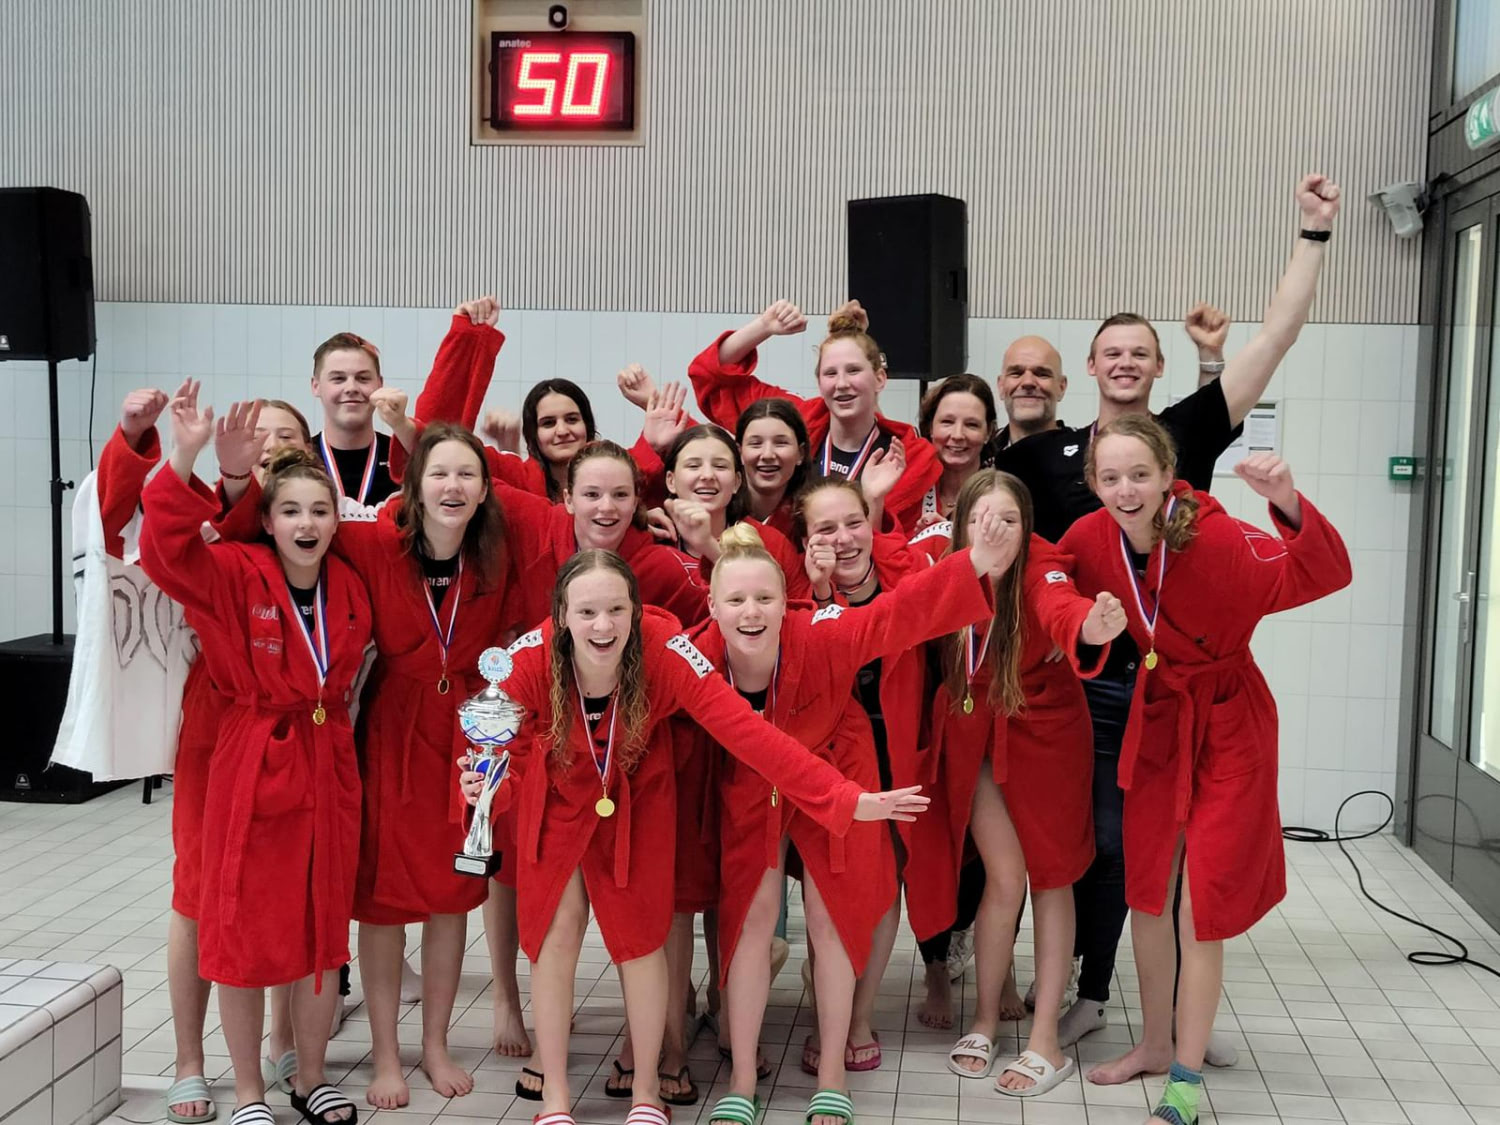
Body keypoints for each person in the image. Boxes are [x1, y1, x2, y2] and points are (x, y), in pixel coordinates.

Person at [995, 173, 1342, 1056]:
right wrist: (1071, 614)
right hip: (1083, 686)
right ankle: (1118, 1006)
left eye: (1138, 351)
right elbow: (1019, 554)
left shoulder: (1186, 434)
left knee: (1161, 865)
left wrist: (1311, 236)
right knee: (1102, 851)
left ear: (1156, 369)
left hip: (1170, 692)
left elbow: (1278, 337)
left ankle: (1144, 1015)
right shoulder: (1043, 453)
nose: (1123, 361)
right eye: (1109, 349)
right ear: (1092, 364)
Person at [458, 550, 931, 1125]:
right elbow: (493, 759)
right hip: (557, 793)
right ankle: (555, 1099)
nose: (602, 625)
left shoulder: (666, 651)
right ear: (560, 616)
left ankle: (647, 1093)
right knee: (554, 935)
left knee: (643, 938)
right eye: (586, 613)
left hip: (637, 789)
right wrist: (482, 791)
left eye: (615, 609)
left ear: (636, 611)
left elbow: (753, 736)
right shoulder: (526, 663)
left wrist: (844, 798)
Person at [218, 414, 517, 1108]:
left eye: (466, 474)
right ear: (412, 486)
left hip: (468, 740)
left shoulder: (497, 554)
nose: (452, 485)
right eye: (438, 472)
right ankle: (385, 1053)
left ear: (482, 491)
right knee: (382, 905)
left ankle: (435, 1042)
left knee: (453, 896)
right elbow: (269, 534)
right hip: (388, 734)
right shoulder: (372, 541)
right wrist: (236, 481)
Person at [1060, 416, 1350, 1124]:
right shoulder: (1091, 539)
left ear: (1167, 475)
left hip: (1228, 724)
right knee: (1151, 897)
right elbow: (1046, 575)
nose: (1124, 490)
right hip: (1157, 720)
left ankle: (1185, 1080)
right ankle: (1155, 1044)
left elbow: (1324, 571)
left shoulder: (1217, 537)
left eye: (1138, 475)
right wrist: (1075, 615)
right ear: (1093, 483)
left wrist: (1286, 501)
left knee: (1202, 906)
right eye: (1109, 477)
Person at [698, 514, 1016, 1125]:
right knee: (749, 918)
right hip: (754, 784)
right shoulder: (701, 653)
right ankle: (740, 1078)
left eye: (765, 598)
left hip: (836, 767)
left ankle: (835, 1067)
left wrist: (973, 563)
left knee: (832, 914)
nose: (750, 612)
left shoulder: (820, 633)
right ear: (710, 605)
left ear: (785, 603)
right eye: (734, 599)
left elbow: (894, 615)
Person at [139, 384, 372, 1125]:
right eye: (291, 510)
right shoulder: (236, 573)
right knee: (233, 916)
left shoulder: (352, 587)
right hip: (250, 752)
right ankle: (246, 1089)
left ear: (340, 519)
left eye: (320, 509)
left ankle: (308, 1074)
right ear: (265, 521)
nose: (307, 522)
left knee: (321, 918)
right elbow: (165, 549)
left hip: (327, 754)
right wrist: (189, 457)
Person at [55, 385, 267, 1125]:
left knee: (278, 890)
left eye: (271, 446)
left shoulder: (298, 515)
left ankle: (277, 1050)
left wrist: (246, 483)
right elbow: (118, 523)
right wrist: (140, 435)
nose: (255, 449)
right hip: (216, 716)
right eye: (246, 440)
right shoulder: (202, 505)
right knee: (199, 889)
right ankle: (187, 1058)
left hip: (297, 727)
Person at [902, 471, 1125, 1098]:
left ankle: (1046, 1040)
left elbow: (1063, 604)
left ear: (1027, 527)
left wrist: (1090, 627)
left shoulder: (1039, 568)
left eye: (1009, 520)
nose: (994, 531)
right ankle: (983, 1020)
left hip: (1046, 732)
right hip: (975, 730)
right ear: (960, 523)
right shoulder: (939, 557)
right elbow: (890, 574)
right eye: (981, 519)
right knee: (1005, 875)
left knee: (1053, 877)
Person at [687, 300, 941, 532]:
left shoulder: (908, 458)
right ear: (819, 383)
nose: (841, 383)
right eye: (830, 373)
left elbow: (899, 546)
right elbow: (709, 378)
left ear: (880, 379)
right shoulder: (793, 422)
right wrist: (764, 326)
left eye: (853, 371)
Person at [308, 332, 401, 505]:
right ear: (316, 386)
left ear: (380, 384)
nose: (351, 387)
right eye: (338, 379)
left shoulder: (403, 459)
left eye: (363, 378)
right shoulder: (300, 458)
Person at [912, 373, 998, 529]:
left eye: (971, 424)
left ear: (988, 432)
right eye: (947, 422)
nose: (958, 435)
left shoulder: (1002, 494)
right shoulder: (910, 488)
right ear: (931, 427)